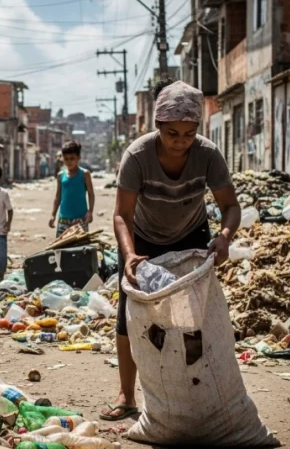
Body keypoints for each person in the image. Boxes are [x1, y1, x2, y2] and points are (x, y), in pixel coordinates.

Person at [100, 80, 241, 421]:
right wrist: (130, 255)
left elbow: (230, 206)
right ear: (158, 127)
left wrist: (224, 236)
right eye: (172, 133)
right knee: (130, 316)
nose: (180, 142)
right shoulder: (137, 155)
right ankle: (126, 395)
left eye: (189, 134)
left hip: (190, 235)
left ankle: (194, 394)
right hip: (141, 239)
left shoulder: (207, 155)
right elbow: (122, 214)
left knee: (191, 317)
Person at [49, 141, 95, 238]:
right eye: (66, 159)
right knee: (61, 249)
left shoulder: (85, 174)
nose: (69, 162)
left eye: (72, 158)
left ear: (78, 158)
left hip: (81, 220)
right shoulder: (60, 175)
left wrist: (90, 211)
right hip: (63, 220)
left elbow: (91, 194)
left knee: (81, 250)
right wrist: (53, 215)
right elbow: (58, 197)